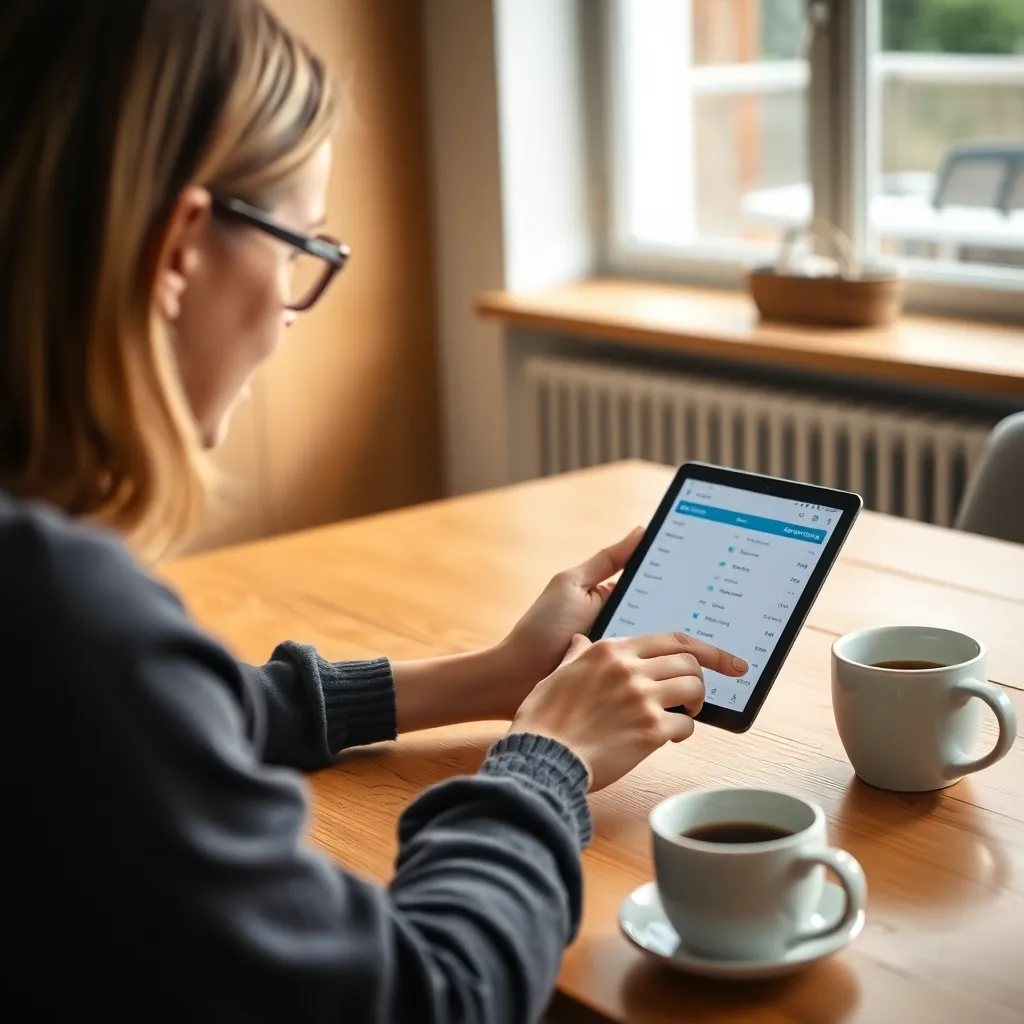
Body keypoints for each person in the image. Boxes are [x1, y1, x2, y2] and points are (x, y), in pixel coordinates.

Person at [0, 2, 746, 1021]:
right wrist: (547, 761)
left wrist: (487, 677)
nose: (290, 315)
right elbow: (430, 997)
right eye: (300, 250)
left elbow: (175, 715)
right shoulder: (59, 609)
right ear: (180, 247)